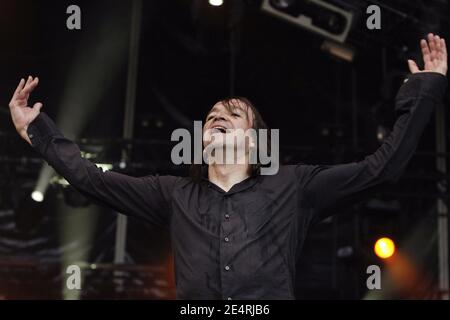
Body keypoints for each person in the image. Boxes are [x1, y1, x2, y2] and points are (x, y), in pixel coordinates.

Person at [8, 34, 448, 299]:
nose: (217, 115)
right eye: (213, 114)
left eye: (233, 114)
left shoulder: (293, 186)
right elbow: (92, 179)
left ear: (253, 141)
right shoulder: (173, 193)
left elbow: (381, 169)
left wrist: (423, 94)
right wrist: (38, 130)